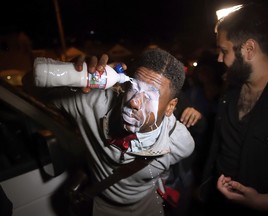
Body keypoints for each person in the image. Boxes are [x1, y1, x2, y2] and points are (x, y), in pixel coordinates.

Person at [33, 48, 195, 216]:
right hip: (104, 207)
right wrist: (71, 73)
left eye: (150, 96)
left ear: (170, 107)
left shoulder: (180, 143)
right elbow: (32, 85)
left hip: (149, 205)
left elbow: (165, 171)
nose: (134, 103)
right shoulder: (91, 103)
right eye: (134, 87)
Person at [199, 2, 268, 215]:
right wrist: (205, 186)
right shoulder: (230, 90)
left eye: (224, 51)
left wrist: (261, 202)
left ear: (249, 49)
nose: (219, 59)